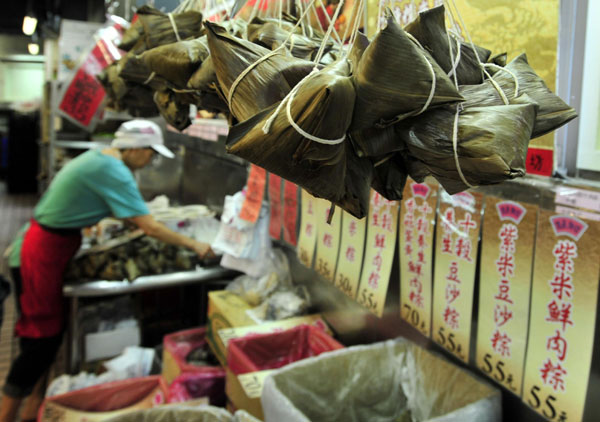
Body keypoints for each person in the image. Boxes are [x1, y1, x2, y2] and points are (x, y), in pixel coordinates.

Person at [0, 119, 214, 422]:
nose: (151, 161)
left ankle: (32, 408)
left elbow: (121, 212)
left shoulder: (100, 158)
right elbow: (149, 226)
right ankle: (7, 414)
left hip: (45, 246)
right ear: (136, 149)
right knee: (40, 340)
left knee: (47, 334)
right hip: (40, 253)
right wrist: (194, 245)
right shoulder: (114, 171)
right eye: (150, 153)